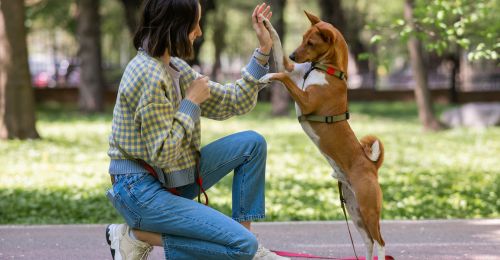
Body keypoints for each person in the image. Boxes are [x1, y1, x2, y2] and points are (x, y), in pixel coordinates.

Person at [105, 0, 289, 259]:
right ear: (176, 26)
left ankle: (249, 246)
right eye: (195, 25)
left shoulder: (174, 67)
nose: (199, 32)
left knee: (252, 144)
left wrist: (263, 49)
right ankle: (135, 235)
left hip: (169, 177)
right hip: (139, 191)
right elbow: (163, 154)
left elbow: (233, 100)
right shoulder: (148, 75)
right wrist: (190, 103)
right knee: (240, 246)